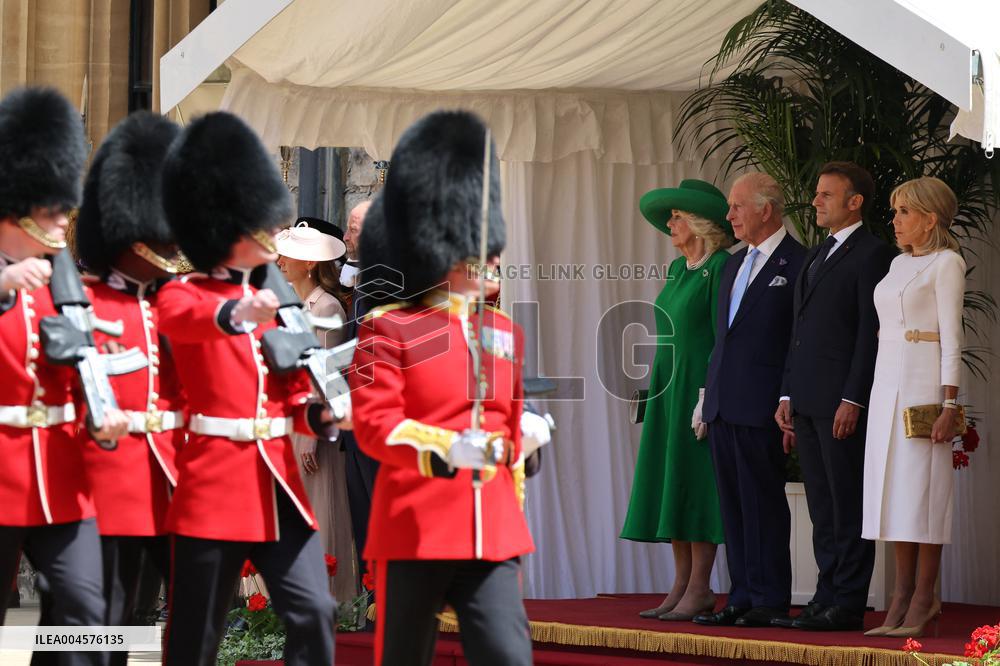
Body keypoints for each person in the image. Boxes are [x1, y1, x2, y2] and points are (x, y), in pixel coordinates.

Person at [350, 110, 534, 666]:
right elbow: (374, 426)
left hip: (492, 529)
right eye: (480, 247)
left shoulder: (504, 332)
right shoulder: (386, 328)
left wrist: (527, 440)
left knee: (508, 657)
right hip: (418, 527)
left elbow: (508, 419)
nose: (493, 258)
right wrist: (447, 448)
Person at [156, 112, 336, 666]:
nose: (276, 239)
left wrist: (321, 417)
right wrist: (237, 314)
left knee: (315, 611)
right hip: (214, 484)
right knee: (196, 632)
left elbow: (290, 390)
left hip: (276, 482)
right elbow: (187, 324)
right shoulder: (183, 294)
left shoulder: (278, 304)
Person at [0, 86, 130, 666]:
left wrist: (100, 417)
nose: (63, 220)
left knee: (86, 612)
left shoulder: (64, 283)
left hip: (58, 473)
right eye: (54, 210)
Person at [74, 111, 185, 663]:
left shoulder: (178, 301)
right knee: (100, 619)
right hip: (107, 478)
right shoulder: (83, 302)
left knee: (184, 609)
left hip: (172, 476)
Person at [773, 162, 895, 631]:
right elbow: (798, 329)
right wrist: (786, 392)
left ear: (854, 201)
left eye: (826, 194)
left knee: (846, 503)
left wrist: (854, 398)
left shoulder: (873, 254)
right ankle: (824, 596)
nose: (816, 201)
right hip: (805, 398)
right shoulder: (817, 252)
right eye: (817, 193)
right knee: (822, 507)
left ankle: (847, 602)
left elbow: (869, 333)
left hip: (841, 402)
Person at [693, 172, 806, 628]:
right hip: (724, 403)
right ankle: (740, 596)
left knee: (763, 504)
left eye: (737, 206)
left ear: (766, 209)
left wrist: (788, 395)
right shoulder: (734, 263)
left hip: (764, 405)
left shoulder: (798, 262)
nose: (729, 215)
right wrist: (707, 396)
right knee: (734, 507)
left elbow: (798, 340)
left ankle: (769, 598)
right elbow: (724, 338)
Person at [621, 180, 734, 621]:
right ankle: (681, 584)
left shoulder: (720, 267)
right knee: (672, 480)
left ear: (700, 223)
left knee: (696, 482)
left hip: (697, 388)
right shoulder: (677, 269)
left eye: (677, 217)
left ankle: (700, 586)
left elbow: (722, 337)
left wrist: (708, 394)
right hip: (668, 384)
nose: (670, 224)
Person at [861, 176, 965, 638]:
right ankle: (900, 595)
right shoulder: (898, 263)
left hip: (924, 387)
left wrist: (949, 403)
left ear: (930, 218)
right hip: (887, 385)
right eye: (895, 210)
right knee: (895, 493)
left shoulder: (948, 263)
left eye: (904, 211)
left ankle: (925, 596)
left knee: (925, 493)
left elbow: (953, 337)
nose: (895, 219)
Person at [276, 222, 359, 601]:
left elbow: (327, 377)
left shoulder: (325, 307)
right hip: (286, 420)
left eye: (288, 255)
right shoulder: (292, 305)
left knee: (319, 508)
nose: (280, 261)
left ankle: (328, 598)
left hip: (311, 425)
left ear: (309, 263)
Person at [337, 200, 380, 578]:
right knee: (364, 525)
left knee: (379, 523)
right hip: (356, 424)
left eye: (353, 229)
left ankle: (384, 601)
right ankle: (372, 600)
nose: (346, 236)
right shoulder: (368, 277)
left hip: (376, 421)